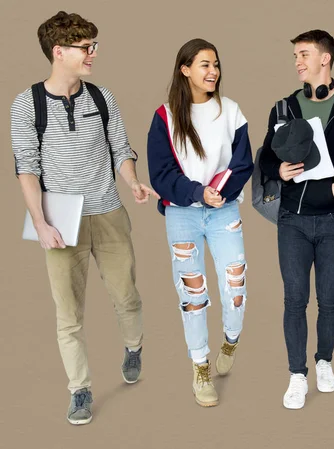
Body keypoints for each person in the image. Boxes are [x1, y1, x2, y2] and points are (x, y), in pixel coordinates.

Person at [10, 11, 157, 425]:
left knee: (126, 294)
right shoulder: (27, 104)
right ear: (60, 52)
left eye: (94, 45)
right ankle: (80, 390)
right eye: (86, 47)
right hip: (60, 221)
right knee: (68, 314)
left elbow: (120, 148)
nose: (94, 52)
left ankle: (133, 345)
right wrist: (40, 223)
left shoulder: (101, 97)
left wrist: (132, 182)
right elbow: (27, 168)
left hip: (108, 211)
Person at [259, 29, 334, 409]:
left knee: (330, 300)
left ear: (326, 59)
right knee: (294, 299)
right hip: (292, 219)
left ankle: (324, 362)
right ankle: (297, 375)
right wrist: (279, 171)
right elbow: (265, 158)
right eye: (295, 56)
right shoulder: (283, 108)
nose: (298, 62)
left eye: (304, 54)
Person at [147, 38, 253, 407]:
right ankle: (200, 366)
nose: (213, 72)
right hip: (182, 214)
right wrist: (196, 192)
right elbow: (160, 173)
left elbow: (243, 163)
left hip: (223, 210)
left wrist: (216, 192)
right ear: (185, 69)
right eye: (205, 65)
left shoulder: (232, 111)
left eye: (216, 64)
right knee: (191, 296)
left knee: (235, 286)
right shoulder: (165, 117)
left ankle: (231, 339)